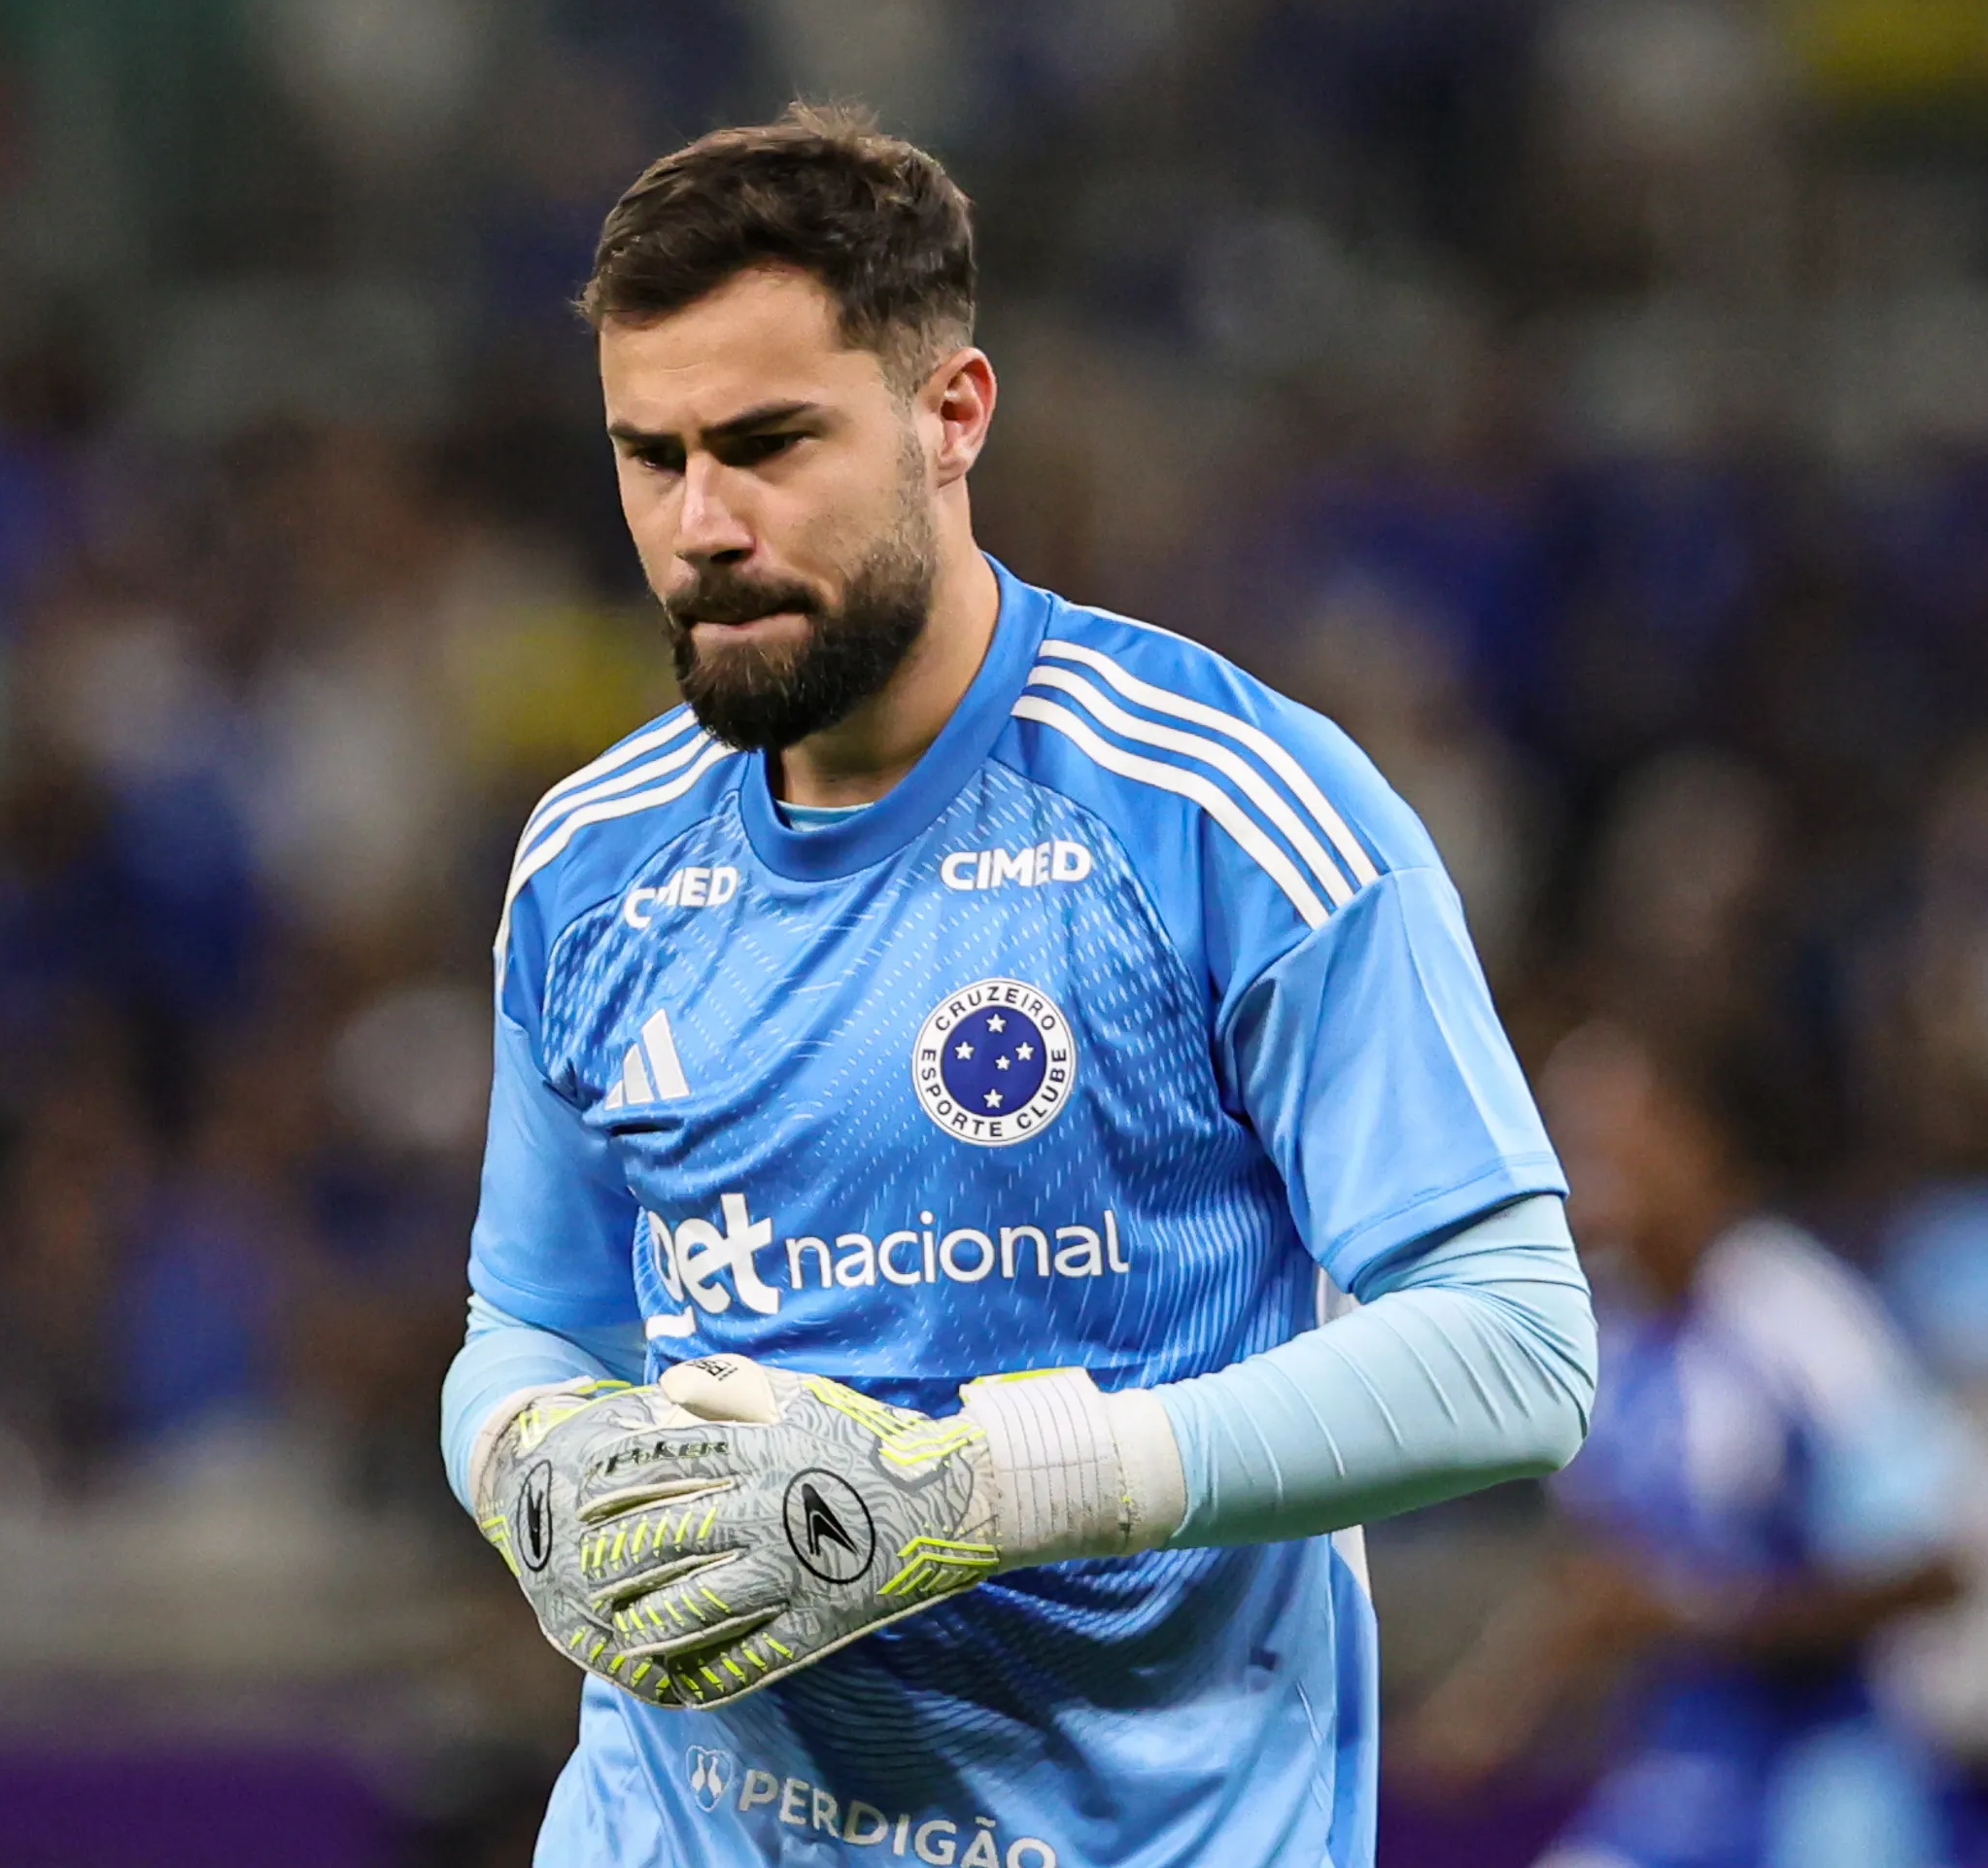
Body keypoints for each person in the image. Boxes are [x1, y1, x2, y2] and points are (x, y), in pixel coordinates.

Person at [437, 104, 1599, 1868]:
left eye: (766, 444)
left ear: (949, 414)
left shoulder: (1217, 807)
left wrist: (975, 1494)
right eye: (648, 454)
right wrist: (534, 1469)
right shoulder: (587, 860)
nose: (699, 526)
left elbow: (1513, 1349)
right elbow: (530, 1328)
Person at [1404, 1019, 1971, 1868]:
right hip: (1679, 1776)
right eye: (1570, 1139)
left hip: (1824, 1786)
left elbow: (1934, 1567)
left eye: (1613, 1135)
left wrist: (1704, 1615)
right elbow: (1605, 1580)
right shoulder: (1609, 1337)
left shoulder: (1796, 1316)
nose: (1589, 1170)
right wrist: (1493, 1707)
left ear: (1695, 1139)